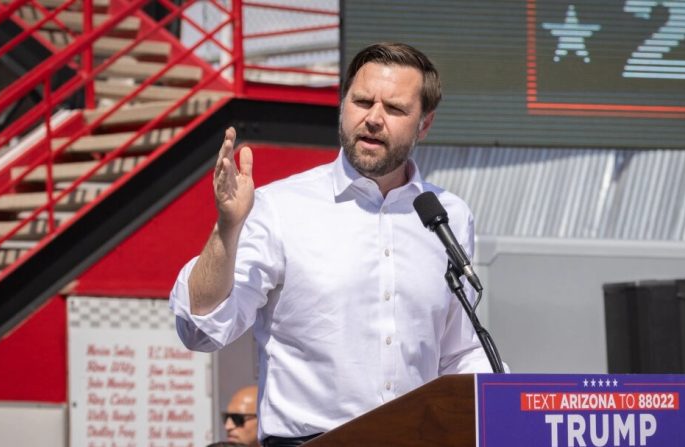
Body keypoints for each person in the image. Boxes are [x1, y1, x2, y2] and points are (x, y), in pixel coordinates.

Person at [170, 42, 493, 447]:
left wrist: (509, 408)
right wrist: (226, 228)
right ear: (343, 106)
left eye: (394, 109)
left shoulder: (448, 215)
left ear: (424, 124)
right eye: (361, 101)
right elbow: (201, 328)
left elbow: (459, 352)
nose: (373, 118)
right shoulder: (279, 208)